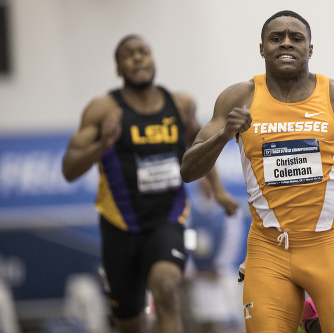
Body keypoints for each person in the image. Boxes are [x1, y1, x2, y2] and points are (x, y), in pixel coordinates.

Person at [180, 10, 334, 333]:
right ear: (261, 48)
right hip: (268, 250)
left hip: (328, 246)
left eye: (296, 38)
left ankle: (311, 315)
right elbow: (189, 169)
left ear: (310, 49)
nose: (286, 43)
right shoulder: (238, 99)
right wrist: (223, 135)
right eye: (276, 38)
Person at [62, 34, 238, 333]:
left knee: (165, 287)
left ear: (153, 59)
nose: (138, 58)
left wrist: (218, 191)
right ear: (118, 69)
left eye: (143, 51)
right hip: (120, 227)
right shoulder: (103, 110)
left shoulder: (181, 105)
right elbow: (69, 169)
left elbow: (200, 148)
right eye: (128, 55)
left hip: (167, 221)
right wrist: (102, 143)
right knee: (129, 323)